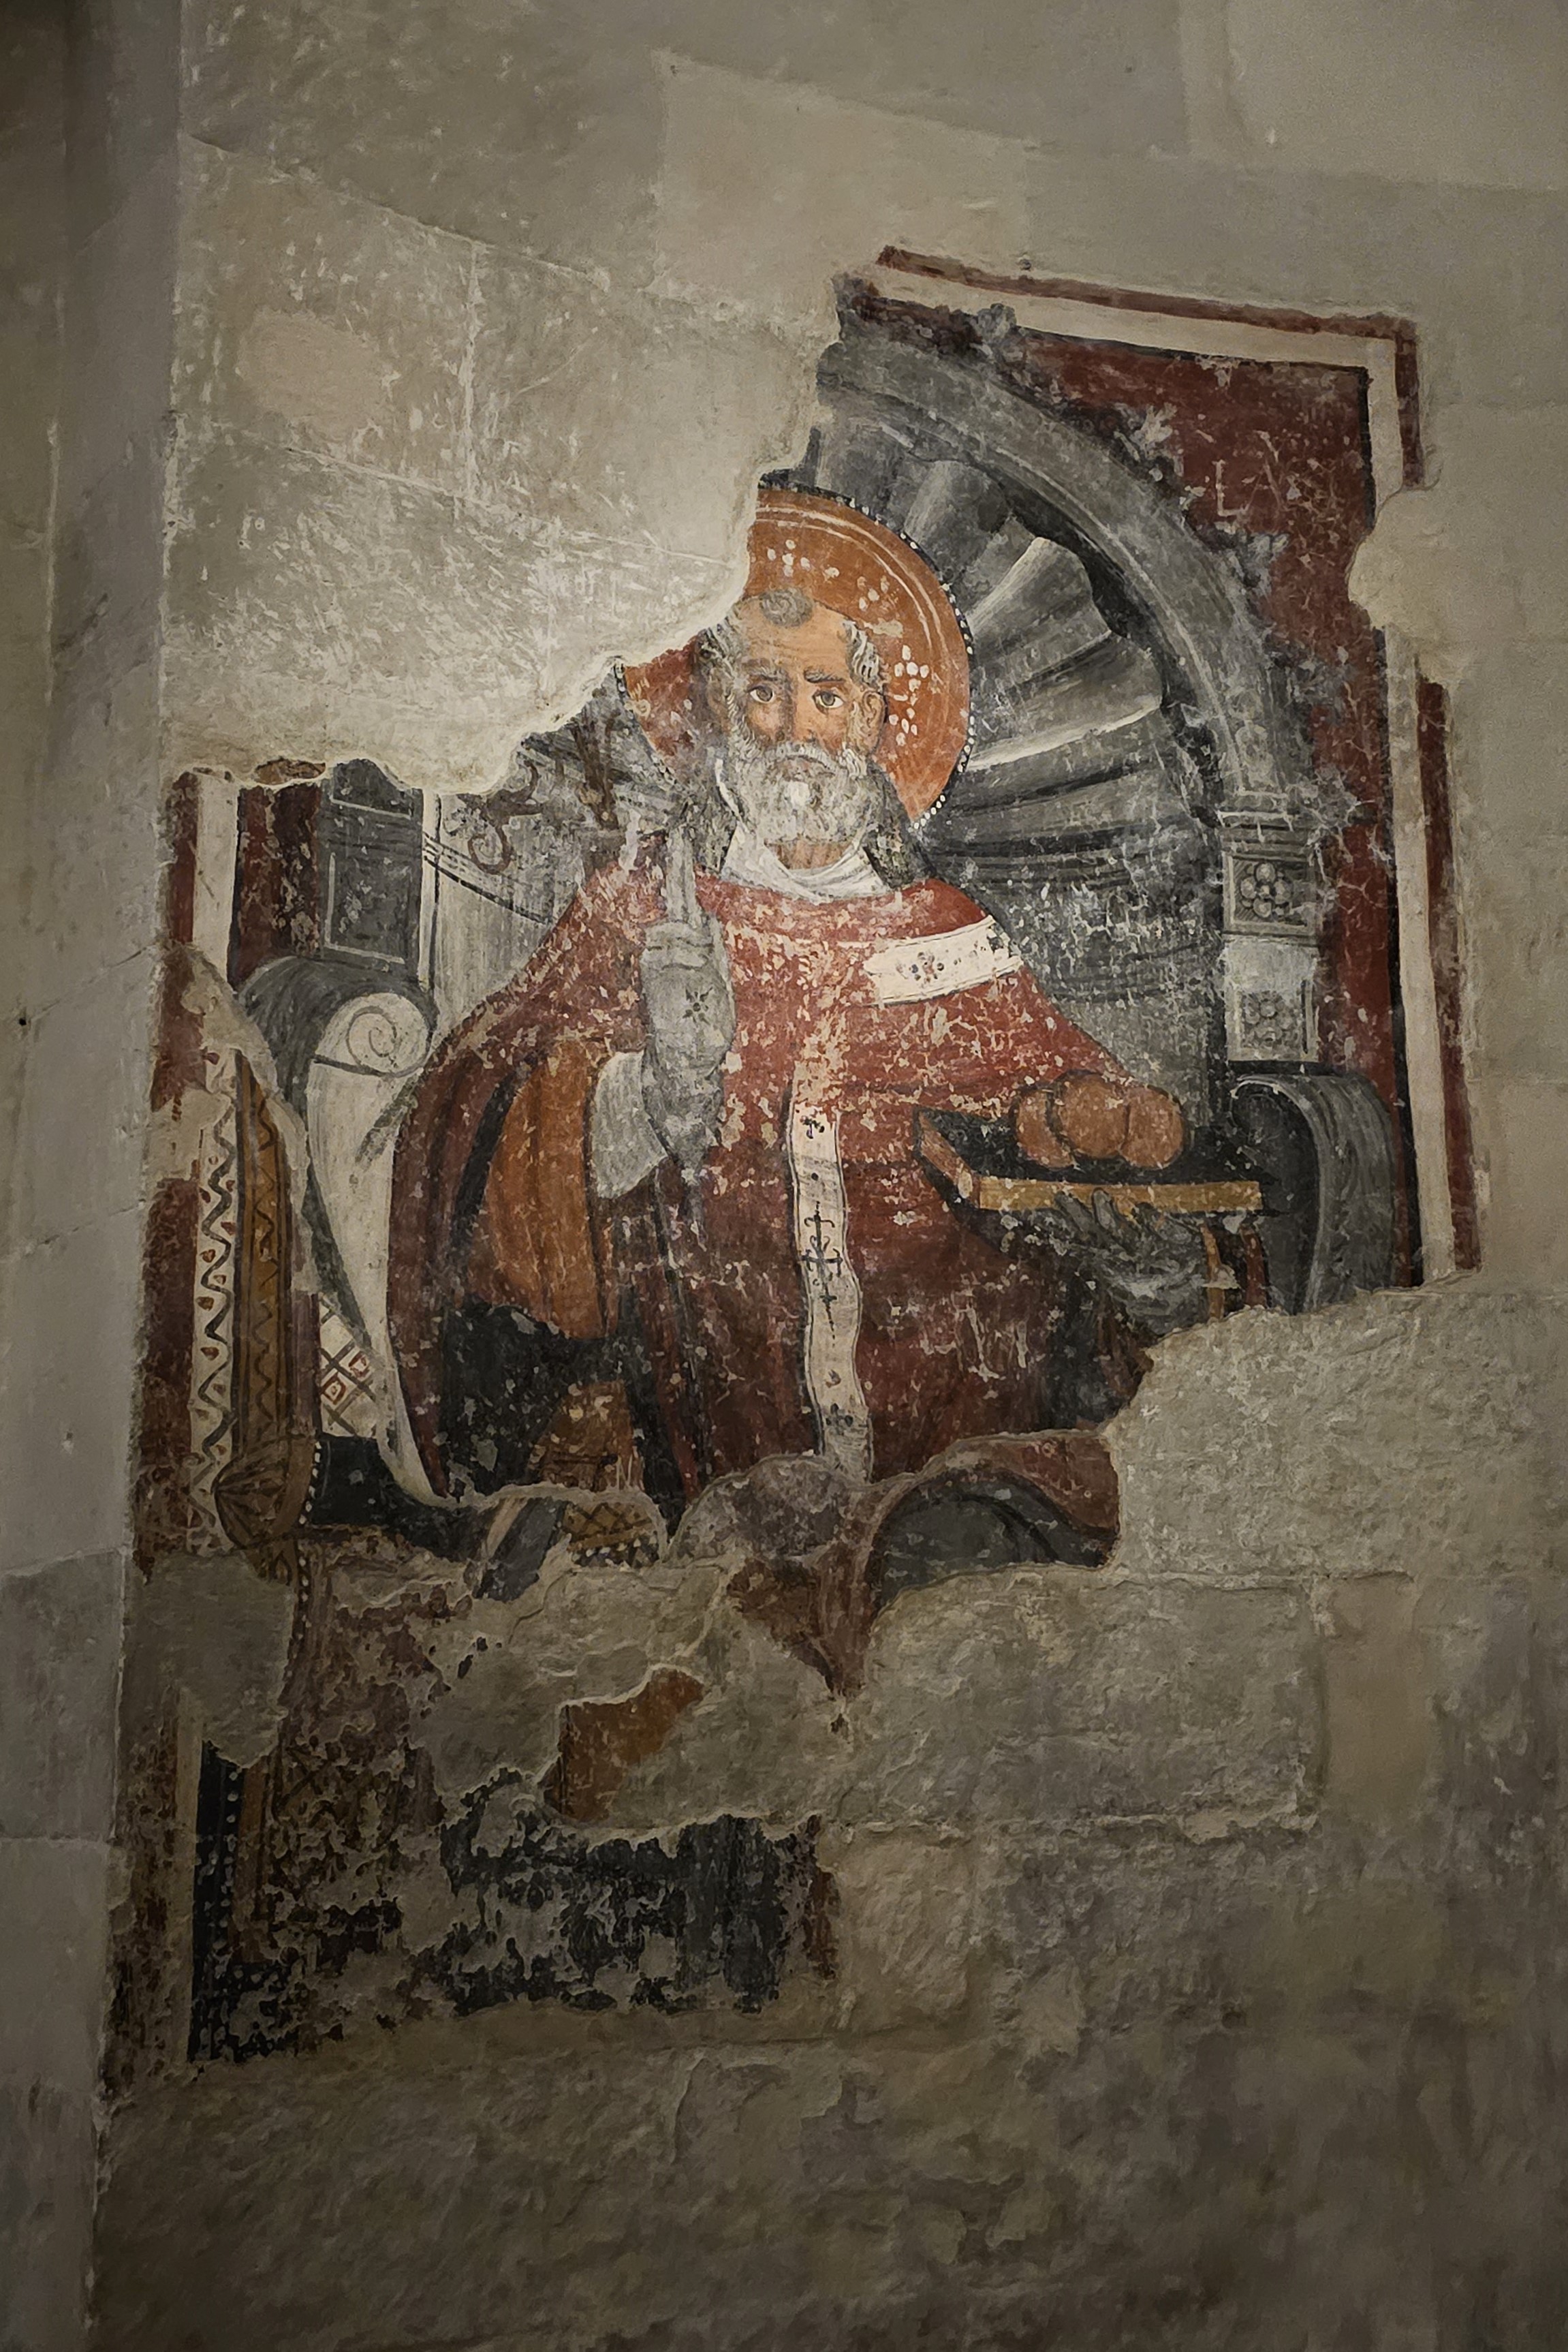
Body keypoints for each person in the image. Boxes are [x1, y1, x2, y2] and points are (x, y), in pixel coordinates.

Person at [385, 573, 1198, 1560]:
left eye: (826, 694)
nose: (795, 728)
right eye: (763, 692)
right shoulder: (645, 907)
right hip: (704, 1405)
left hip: (956, 1429)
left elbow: (1086, 1120)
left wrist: (1117, 1201)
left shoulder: (951, 933)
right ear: (715, 714)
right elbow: (481, 1105)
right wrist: (653, 1090)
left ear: (872, 720)